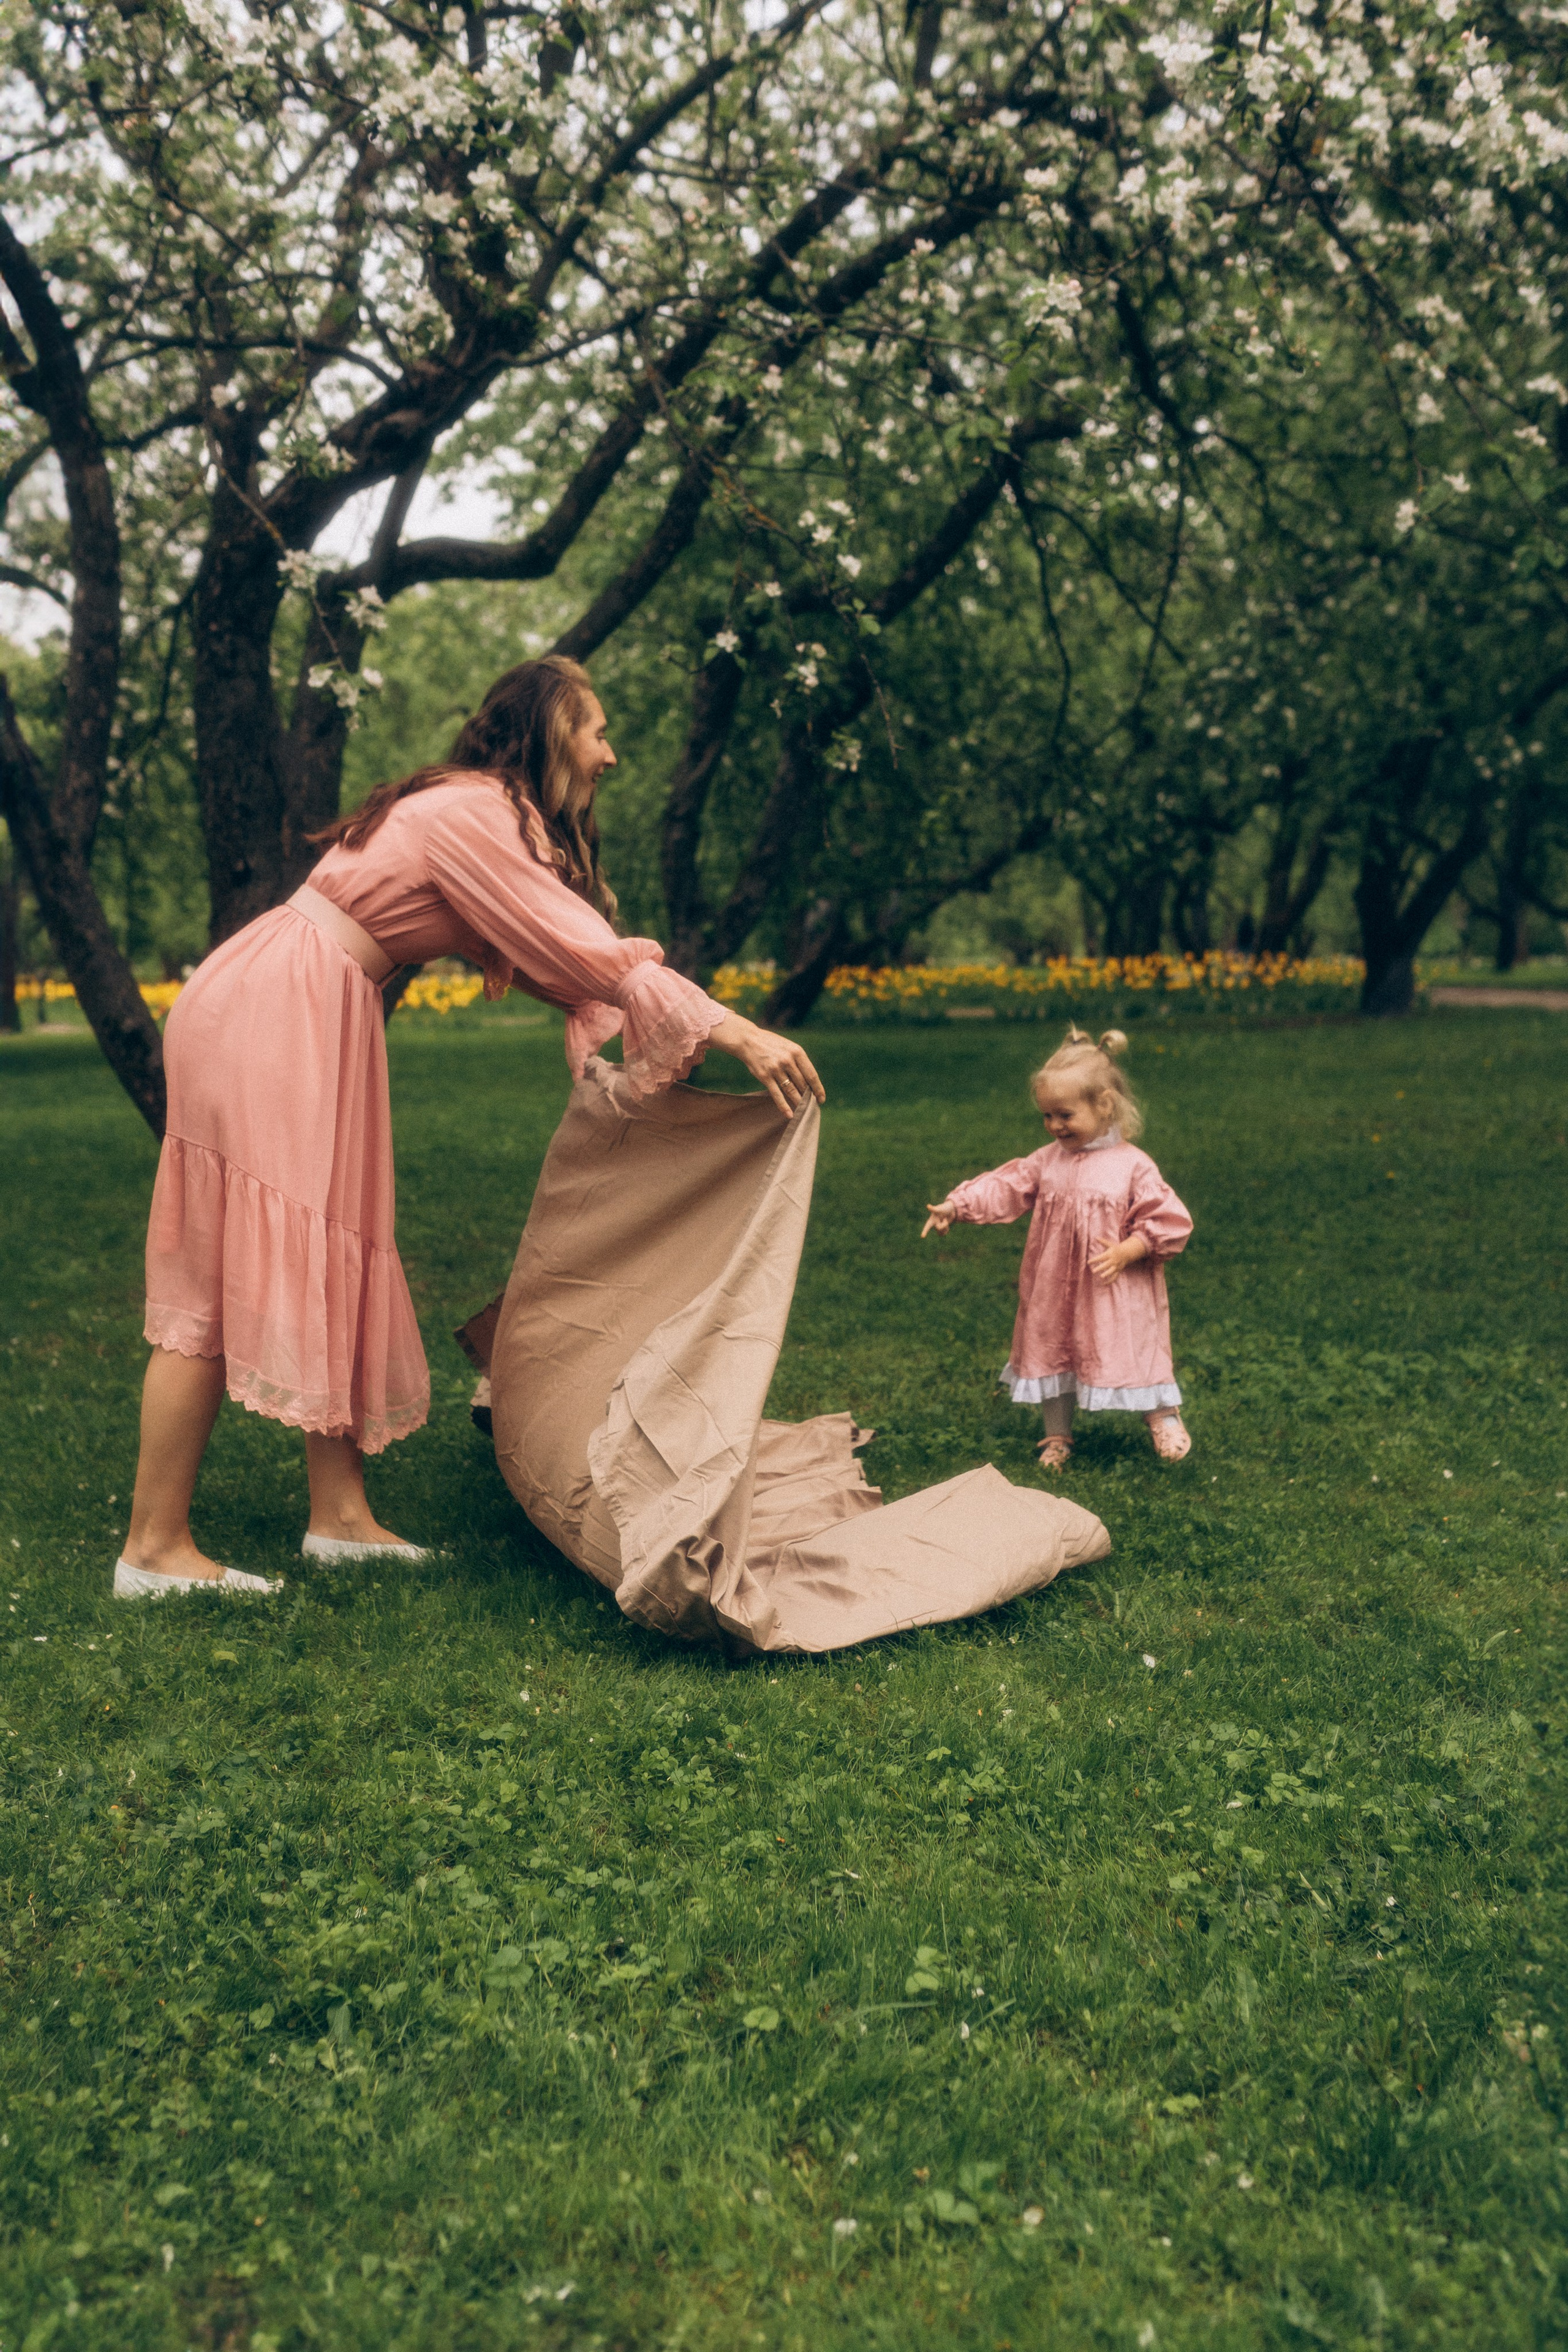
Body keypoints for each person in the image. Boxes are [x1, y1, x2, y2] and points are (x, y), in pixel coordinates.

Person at [114, 657, 824, 1601]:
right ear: (548, 727)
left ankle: (342, 1520)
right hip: (276, 1007)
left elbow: (552, 963)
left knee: (337, 1249)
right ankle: (154, 1549)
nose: (610, 755)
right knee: (218, 1268)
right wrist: (734, 1030)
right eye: (596, 730)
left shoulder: (481, 818)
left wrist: (657, 1048)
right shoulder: (473, 810)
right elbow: (582, 951)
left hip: (310, 1003)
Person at [920, 1027, 1191, 1470]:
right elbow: (1007, 1186)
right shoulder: (1048, 1161)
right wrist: (958, 1205)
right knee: (1054, 1345)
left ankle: (1162, 1416)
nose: (1054, 1126)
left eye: (1064, 1115)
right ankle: (1057, 1436)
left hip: (1114, 1286)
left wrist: (1130, 1250)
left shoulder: (1133, 1166)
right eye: (1047, 1116)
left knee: (1134, 1346)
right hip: (1055, 1286)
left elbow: (1168, 1219)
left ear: (1104, 1105)